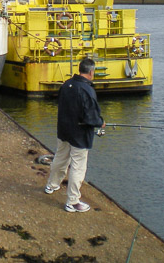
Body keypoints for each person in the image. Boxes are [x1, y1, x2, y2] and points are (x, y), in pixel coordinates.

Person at [44, 57, 105, 212]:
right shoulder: (87, 90)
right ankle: (72, 201)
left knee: (60, 157)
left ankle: (51, 185)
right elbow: (90, 116)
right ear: (91, 72)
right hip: (79, 134)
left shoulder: (66, 85)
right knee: (78, 167)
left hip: (64, 129)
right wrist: (101, 122)